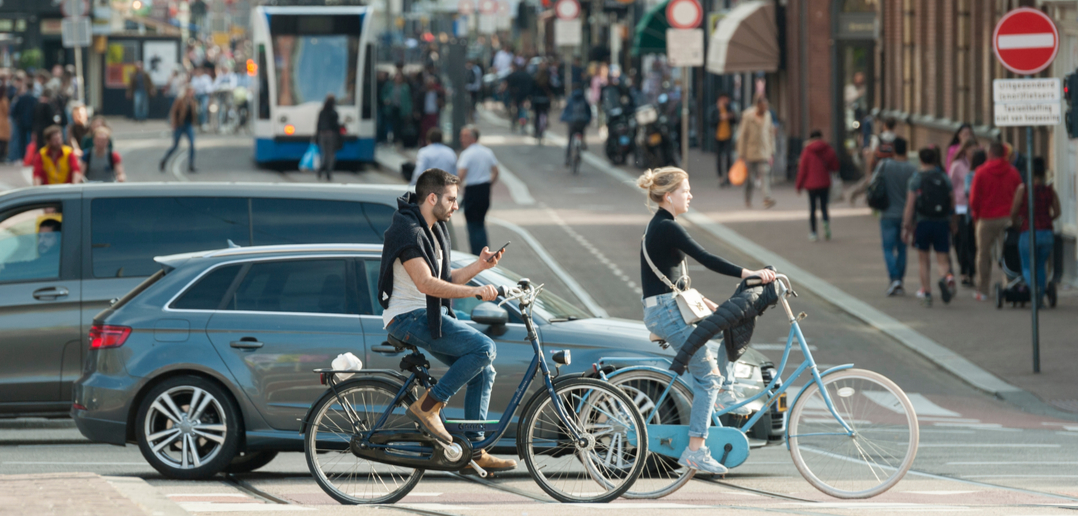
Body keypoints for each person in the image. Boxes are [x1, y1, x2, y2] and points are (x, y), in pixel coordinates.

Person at [636, 167, 776, 475]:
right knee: (709, 378)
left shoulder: (660, 226)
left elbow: (675, 284)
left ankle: (719, 397)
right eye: (685, 190)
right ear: (669, 195)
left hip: (669, 308)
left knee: (723, 330)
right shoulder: (666, 227)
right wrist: (749, 274)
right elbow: (706, 257)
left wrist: (714, 307)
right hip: (667, 313)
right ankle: (695, 450)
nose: (690, 195)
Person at [377, 168, 516, 474]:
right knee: (484, 348)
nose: (456, 206)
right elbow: (426, 284)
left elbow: (445, 278)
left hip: (426, 315)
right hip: (407, 317)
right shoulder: (409, 232)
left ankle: (472, 452)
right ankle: (427, 407)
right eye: (452, 199)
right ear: (432, 198)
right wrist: (475, 292)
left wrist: (479, 266)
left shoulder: (433, 230)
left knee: (482, 368)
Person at [901, 147, 956, 307]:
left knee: (923, 260)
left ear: (921, 160)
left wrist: (906, 225)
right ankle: (946, 278)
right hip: (941, 222)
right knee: (942, 258)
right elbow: (952, 203)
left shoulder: (916, 179)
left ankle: (927, 292)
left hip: (923, 222)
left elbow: (910, 205)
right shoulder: (944, 178)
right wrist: (952, 222)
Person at [969, 142, 1022, 301]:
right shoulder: (1013, 172)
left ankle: (983, 289)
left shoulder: (981, 172)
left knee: (983, 254)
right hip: (1007, 218)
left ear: (990, 153)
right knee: (1008, 253)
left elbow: (973, 199)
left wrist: (976, 216)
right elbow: (1020, 196)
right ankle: (1009, 286)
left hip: (986, 218)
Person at [1009, 158, 1059, 307]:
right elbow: (1057, 211)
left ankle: (1035, 295)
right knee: (1040, 266)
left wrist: (1016, 223)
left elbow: (1014, 211)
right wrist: (1047, 219)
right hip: (1047, 233)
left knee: (1027, 266)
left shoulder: (1023, 189)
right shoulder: (1050, 190)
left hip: (1028, 231)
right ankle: (1041, 295)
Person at [872, 138, 915, 296]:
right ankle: (900, 280)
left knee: (888, 248)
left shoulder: (885, 165)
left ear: (894, 149)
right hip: (905, 215)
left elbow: (873, 182)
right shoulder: (912, 169)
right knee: (903, 248)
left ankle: (894, 279)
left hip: (887, 213)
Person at [456, 126, 499, 255]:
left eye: (465, 136)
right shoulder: (487, 152)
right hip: (484, 190)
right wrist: (488, 184)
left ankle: (477, 255)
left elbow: (460, 176)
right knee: (480, 223)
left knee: (473, 225)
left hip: (472, 190)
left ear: (473, 138)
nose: (461, 139)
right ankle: (484, 252)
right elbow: (496, 172)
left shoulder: (467, 154)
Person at [796, 130, 839, 242]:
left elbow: (802, 170)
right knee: (824, 207)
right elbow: (835, 166)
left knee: (812, 209)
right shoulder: (828, 149)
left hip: (811, 185)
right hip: (825, 183)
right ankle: (825, 224)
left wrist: (798, 186)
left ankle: (813, 232)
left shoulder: (807, 151)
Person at [948, 139, 979, 287]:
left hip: (975, 209)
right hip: (961, 207)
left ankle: (971, 271)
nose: (973, 153)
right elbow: (951, 186)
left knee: (972, 241)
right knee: (962, 240)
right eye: (971, 150)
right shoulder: (957, 165)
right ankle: (964, 270)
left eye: (976, 150)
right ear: (965, 151)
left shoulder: (980, 165)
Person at [736, 95, 776, 209]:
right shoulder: (748, 115)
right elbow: (742, 135)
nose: (766, 108)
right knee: (750, 179)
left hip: (764, 151)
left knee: (765, 175)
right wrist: (741, 154)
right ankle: (748, 198)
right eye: (764, 105)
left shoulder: (768, 116)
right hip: (750, 153)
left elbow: (770, 134)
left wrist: (772, 151)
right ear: (758, 105)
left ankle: (767, 198)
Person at [159, 87, 199, 173]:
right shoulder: (180, 100)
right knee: (175, 146)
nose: (192, 93)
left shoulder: (193, 101)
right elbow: (173, 111)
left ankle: (191, 165)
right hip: (180, 124)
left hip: (188, 125)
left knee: (192, 144)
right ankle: (164, 160)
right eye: (191, 91)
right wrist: (173, 123)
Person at [560, 86, 591, 165]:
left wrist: (562, 119)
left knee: (570, 140)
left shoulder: (570, 100)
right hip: (582, 122)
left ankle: (567, 158)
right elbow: (588, 112)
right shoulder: (584, 101)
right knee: (582, 133)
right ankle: (583, 143)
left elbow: (566, 112)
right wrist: (588, 120)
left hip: (572, 123)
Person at [711, 93, 737, 187]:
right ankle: (720, 177)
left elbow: (735, 121)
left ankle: (728, 176)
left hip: (728, 136)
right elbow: (711, 122)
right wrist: (719, 117)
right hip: (718, 136)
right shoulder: (715, 109)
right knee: (718, 157)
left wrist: (730, 116)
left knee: (728, 157)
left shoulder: (729, 108)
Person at [381, 73, 413, 145]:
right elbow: (383, 94)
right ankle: (390, 139)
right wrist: (386, 99)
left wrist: (409, 110)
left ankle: (398, 139)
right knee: (391, 124)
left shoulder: (405, 87)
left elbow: (408, 99)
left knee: (400, 124)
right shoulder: (389, 85)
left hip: (401, 108)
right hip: (391, 108)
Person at [316, 94, 341, 181]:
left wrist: (316, 136)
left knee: (324, 153)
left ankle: (321, 169)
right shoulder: (334, 113)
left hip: (322, 134)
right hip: (331, 135)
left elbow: (318, 125)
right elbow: (336, 126)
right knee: (330, 154)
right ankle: (328, 172)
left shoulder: (322, 112)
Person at [504, 62, 533, 133]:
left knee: (515, 110)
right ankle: (522, 124)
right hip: (525, 96)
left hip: (515, 95)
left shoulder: (512, 75)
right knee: (523, 110)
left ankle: (514, 122)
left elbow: (507, 84)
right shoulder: (527, 75)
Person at [418, 75, 444, 146]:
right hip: (425, 113)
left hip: (434, 113)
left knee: (433, 129)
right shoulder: (422, 92)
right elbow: (419, 102)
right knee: (424, 130)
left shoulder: (437, 93)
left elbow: (442, 104)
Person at [530, 66, 553, 140]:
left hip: (536, 100)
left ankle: (536, 131)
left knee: (537, 116)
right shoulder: (548, 80)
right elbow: (552, 89)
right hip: (545, 100)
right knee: (545, 114)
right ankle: (544, 125)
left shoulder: (535, 79)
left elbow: (532, 90)